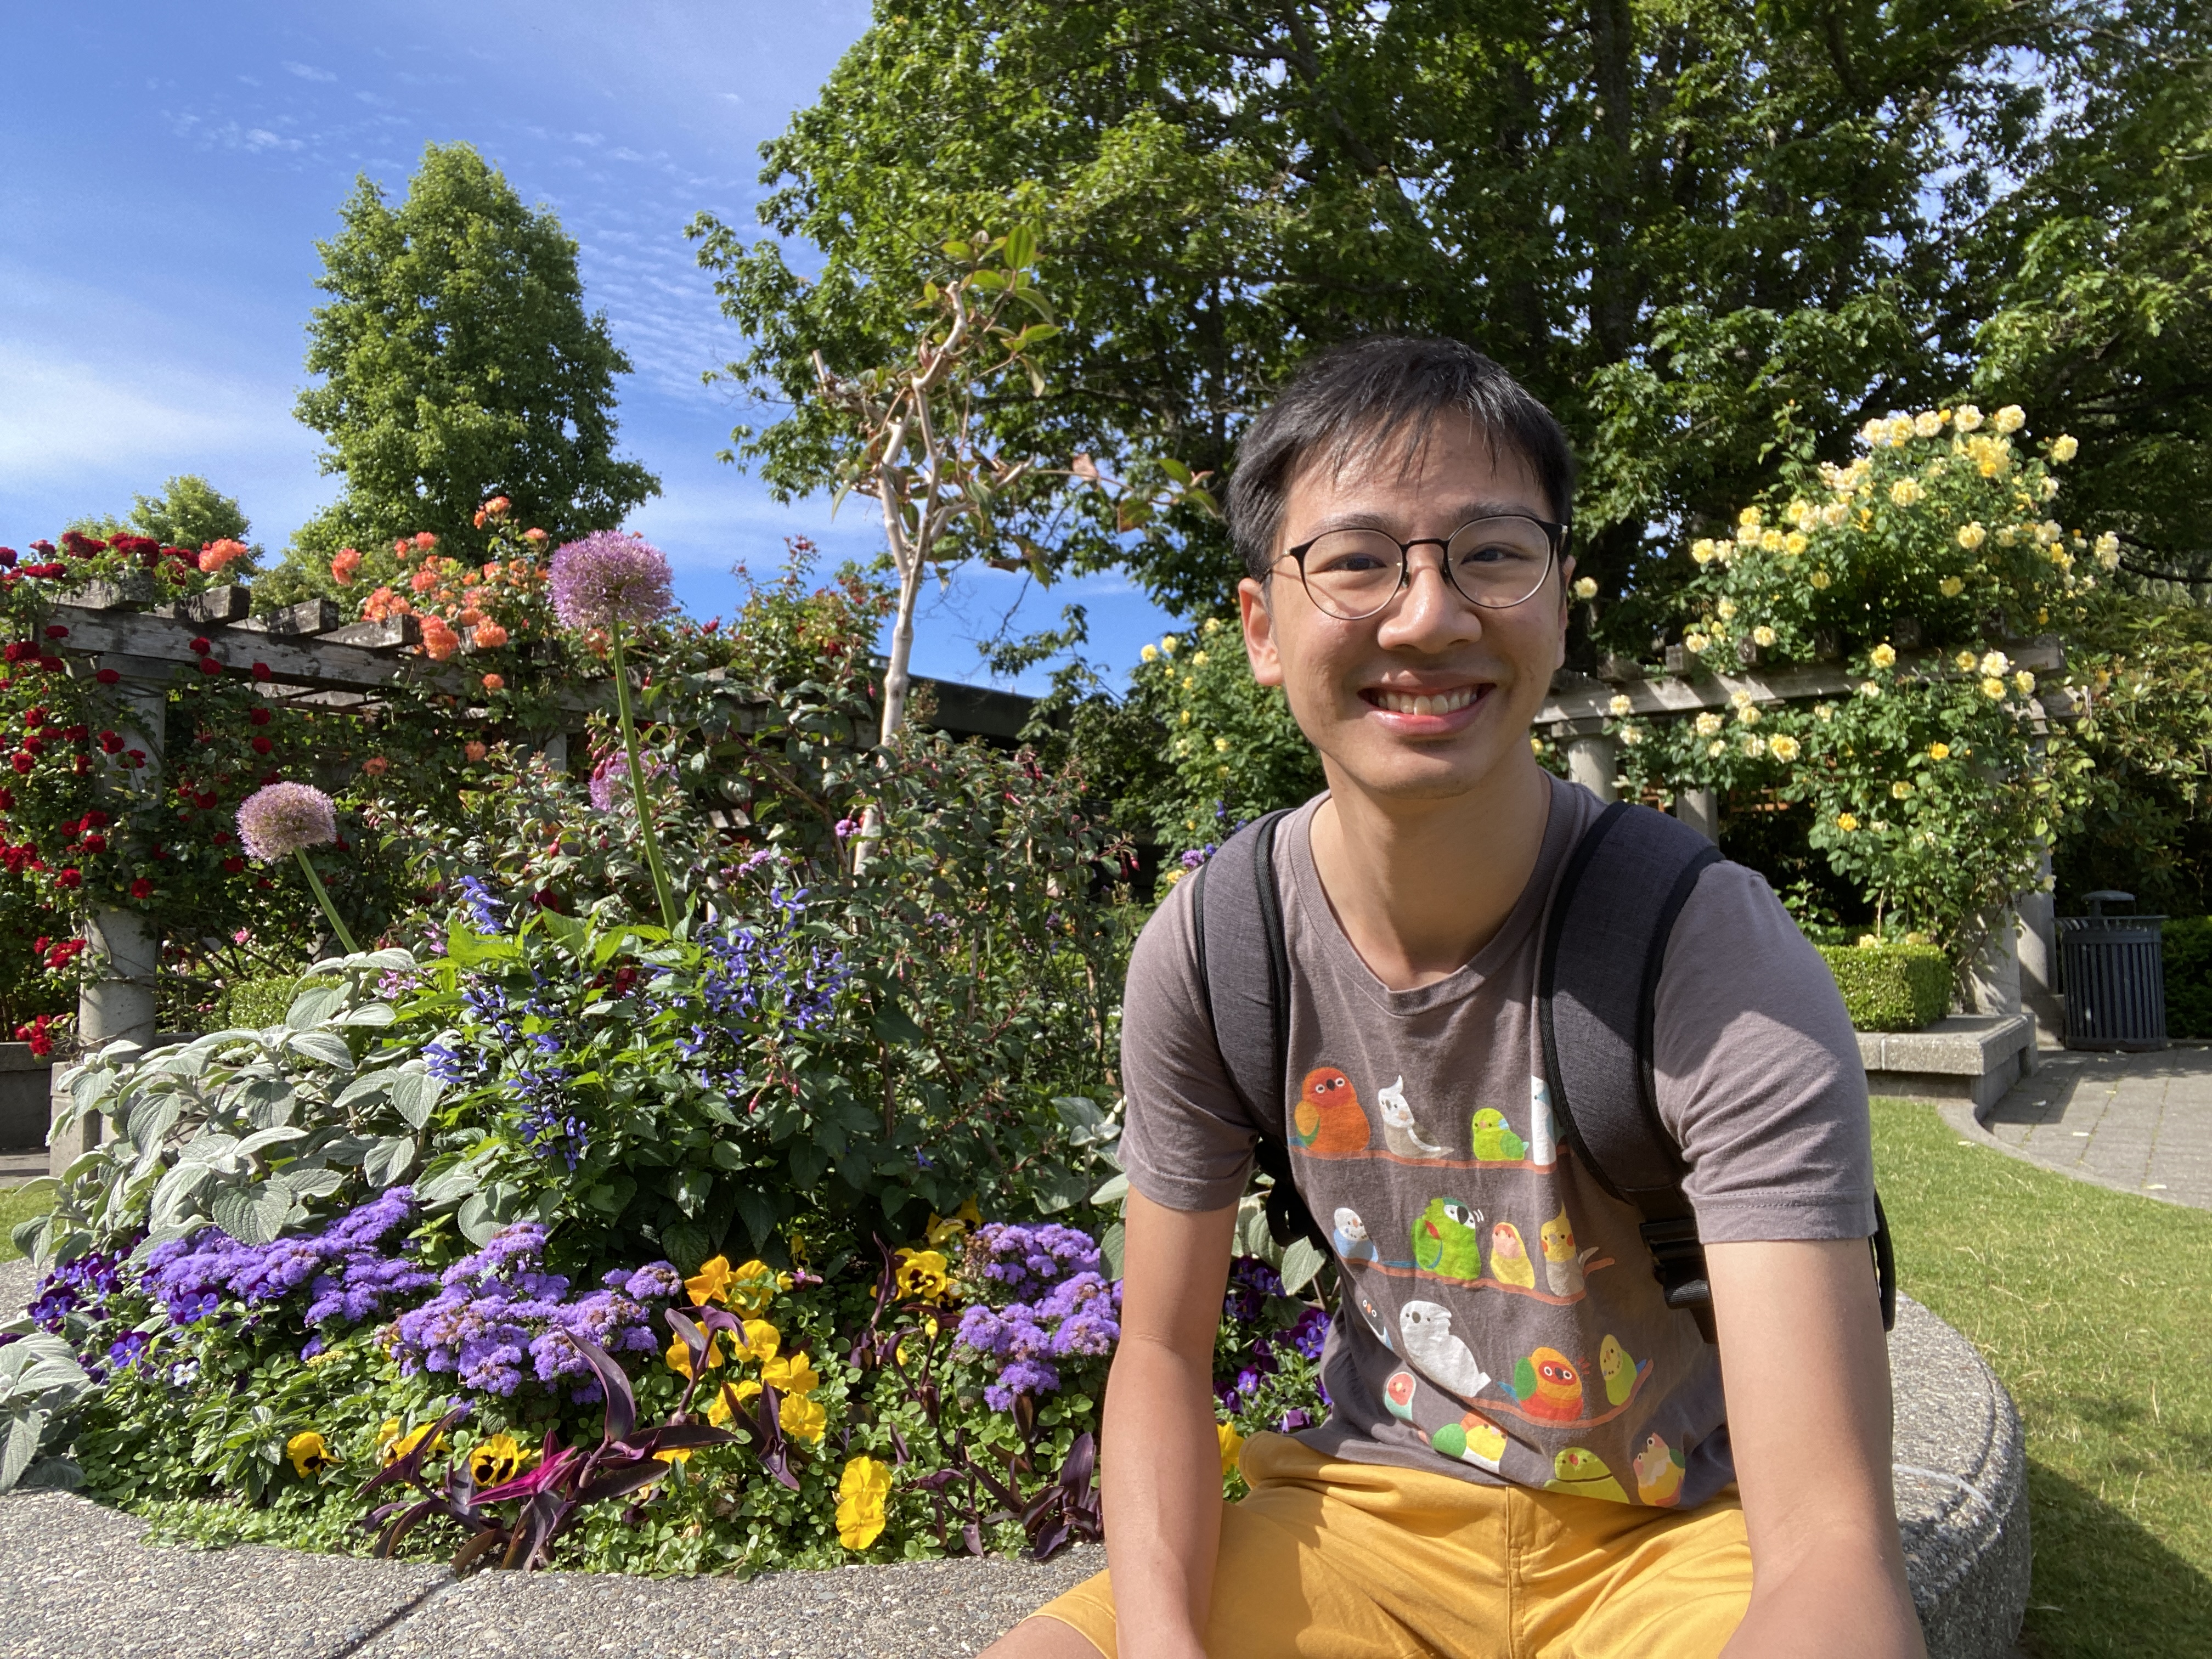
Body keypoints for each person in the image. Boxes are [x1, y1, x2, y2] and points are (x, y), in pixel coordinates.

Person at [984, 337, 1923, 1659]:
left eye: (1490, 554)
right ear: (1262, 626)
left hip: (1685, 1541)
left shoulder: (1706, 954)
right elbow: (1160, 1356)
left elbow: (1829, 1538)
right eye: (1358, 560)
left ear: (1557, 603)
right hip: (1365, 1520)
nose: (1429, 616)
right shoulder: (1216, 947)